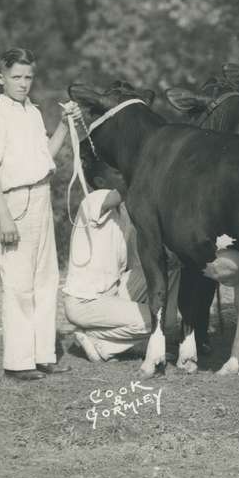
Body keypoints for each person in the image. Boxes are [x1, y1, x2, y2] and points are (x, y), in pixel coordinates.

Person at [0, 48, 82, 381]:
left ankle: (42, 355)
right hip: (13, 201)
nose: (23, 84)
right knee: (19, 283)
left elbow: (44, 157)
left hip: (40, 197)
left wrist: (65, 126)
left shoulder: (33, 114)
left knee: (45, 278)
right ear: (1, 78)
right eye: (16, 77)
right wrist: (4, 217)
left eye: (28, 77)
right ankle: (18, 362)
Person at [64, 147, 180, 362]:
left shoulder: (123, 213)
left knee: (170, 271)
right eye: (117, 173)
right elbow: (127, 190)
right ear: (100, 181)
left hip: (113, 292)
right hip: (85, 302)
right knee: (160, 320)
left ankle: (107, 345)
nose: (124, 174)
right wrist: (151, 166)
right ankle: (99, 338)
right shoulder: (93, 201)